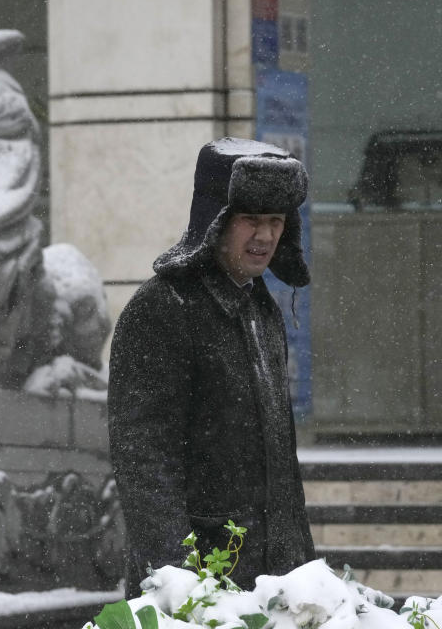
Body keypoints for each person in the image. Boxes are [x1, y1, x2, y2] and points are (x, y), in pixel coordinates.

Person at [108, 137, 316, 596]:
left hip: (274, 586)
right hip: (202, 587)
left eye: (276, 221)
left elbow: (281, 469)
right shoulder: (162, 309)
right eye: (251, 220)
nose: (265, 236)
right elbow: (144, 461)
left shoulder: (262, 307)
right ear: (215, 221)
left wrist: (305, 571)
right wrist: (179, 586)